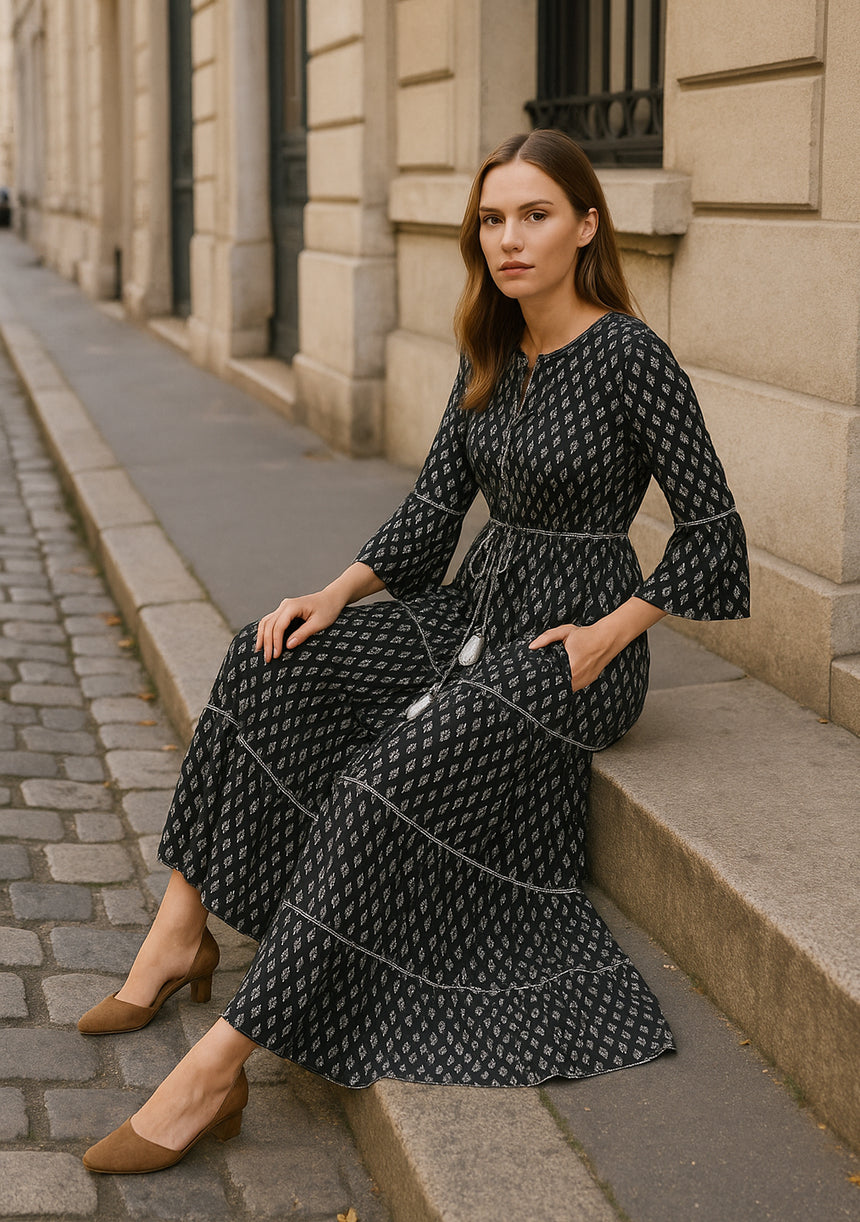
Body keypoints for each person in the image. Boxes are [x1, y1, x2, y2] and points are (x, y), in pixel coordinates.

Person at [78, 129, 750, 1174]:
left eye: (534, 215)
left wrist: (610, 631)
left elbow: (712, 533)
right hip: (476, 600)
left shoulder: (629, 356)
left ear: (584, 226)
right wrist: (333, 591)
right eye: (491, 218)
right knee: (267, 654)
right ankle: (182, 929)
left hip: (571, 639)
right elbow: (437, 504)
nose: (508, 238)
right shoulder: (488, 347)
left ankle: (219, 1068)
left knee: (381, 778)